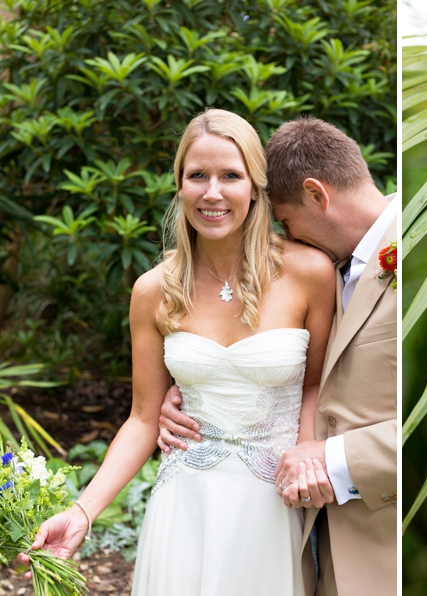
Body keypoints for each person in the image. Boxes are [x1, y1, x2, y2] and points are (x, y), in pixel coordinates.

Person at [20, 108, 335, 595]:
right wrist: (83, 510)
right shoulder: (153, 291)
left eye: (230, 175)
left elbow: (316, 384)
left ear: (255, 185)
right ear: (180, 186)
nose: (213, 192)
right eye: (197, 176)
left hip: (274, 505)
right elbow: (144, 418)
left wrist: (307, 456)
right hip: (183, 504)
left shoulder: (309, 272)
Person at [158, 116, 398, 596]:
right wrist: (196, 388)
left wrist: (334, 459)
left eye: (286, 221)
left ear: (317, 195)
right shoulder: (333, 265)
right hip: (318, 541)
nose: (288, 237)